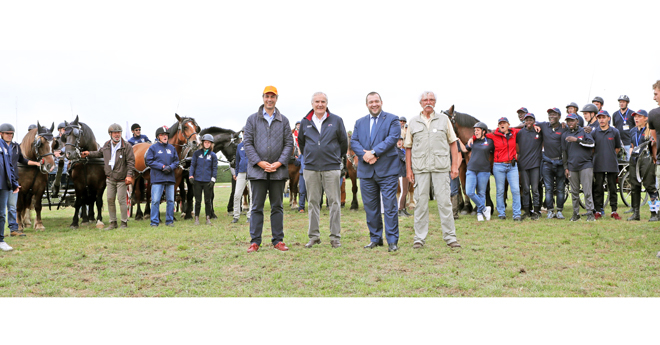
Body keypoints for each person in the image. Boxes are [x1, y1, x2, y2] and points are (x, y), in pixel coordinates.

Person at [405, 91, 461, 249]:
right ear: (420, 103)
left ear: (435, 102)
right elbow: (408, 147)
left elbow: (453, 143)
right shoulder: (413, 122)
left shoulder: (444, 120)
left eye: (431, 100)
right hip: (420, 169)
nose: (428, 102)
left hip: (441, 167)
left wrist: (454, 165)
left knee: (445, 203)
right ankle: (419, 238)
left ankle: (450, 237)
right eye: (425, 100)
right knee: (420, 204)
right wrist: (408, 170)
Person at [243, 86, 293, 253]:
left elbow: (289, 144)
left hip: (278, 172)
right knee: (256, 207)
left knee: (277, 207)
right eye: (267, 96)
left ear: (276, 98)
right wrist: (259, 162)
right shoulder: (252, 120)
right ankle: (255, 241)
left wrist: (278, 163)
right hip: (258, 172)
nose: (269, 99)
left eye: (272, 96)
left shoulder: (283, 120)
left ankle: (278, 240)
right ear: (262, 97)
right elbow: (247, 144)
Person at [352, 91, 401, 251]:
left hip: (387, 171)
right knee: (371, 208)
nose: (374, 104)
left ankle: (392, 241)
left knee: (389, 206)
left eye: (376, 101)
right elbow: (354, 141)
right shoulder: (359, 122)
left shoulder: (392, 119)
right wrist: (365, 155)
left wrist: (373, 152)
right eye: (371, 102)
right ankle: (375, 238)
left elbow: (392, 139)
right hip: (366, 171)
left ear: (381, 102)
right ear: (367, 104)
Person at [298, 92, 348, 249]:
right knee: (313, 202)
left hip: (331, 168)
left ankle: (335, 237)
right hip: (311, 168)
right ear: (312, 103)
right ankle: (314, 236)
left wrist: (333, 157)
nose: (320, 104)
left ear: (327, 103)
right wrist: (312, 156)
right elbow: (301, 143)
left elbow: (343, 143)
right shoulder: (305, 122)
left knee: (334, 202)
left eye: (323, 101)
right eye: (317, 101)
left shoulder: (336, 120)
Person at [82, 123, 136, 230]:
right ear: (110, 134)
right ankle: (113, 223)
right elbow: (99, 153)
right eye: (115, 133)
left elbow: (131, 162)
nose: (117, 134)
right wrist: (88, 153)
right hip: (110, 179)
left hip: (121, 179)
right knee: (110, 200)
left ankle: (124, 223)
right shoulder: (106, 145)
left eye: (119, 132)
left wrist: (129, 175)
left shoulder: (127, 146)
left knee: (121, 201)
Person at [470, 117, 522, 221]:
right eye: (500, 123)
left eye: (504, 123)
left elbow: (525, 129)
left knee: (515, 190)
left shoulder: (514, 132)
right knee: (500, 190)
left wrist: (536, 126)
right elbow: (481, 134)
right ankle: (501, 213)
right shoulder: (493, 135)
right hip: (499, 166)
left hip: (512, 166)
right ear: (498, 125)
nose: (502, 125)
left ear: (508, 124)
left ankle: (517, 214)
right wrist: (472, 138)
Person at [1, 123, 41, 236]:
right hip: (1, 181)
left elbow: (22, 160)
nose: (9, 135)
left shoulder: (15, 147)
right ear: (1, 134)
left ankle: (14, 230)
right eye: (7, 133)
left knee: (13, 207)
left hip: (13, 182)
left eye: (11, 134)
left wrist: (36, 163)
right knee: (1, 211)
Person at [562, 113, 596, 222]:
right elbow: (564, 152)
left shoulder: (584, 131)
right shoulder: (565, 135)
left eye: (572, 120)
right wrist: (566, 167)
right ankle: (575, 214)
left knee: (587, 191)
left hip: (585, 165)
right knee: (574, 192)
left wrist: (577, 140)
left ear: (577, 121)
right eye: (568, 121)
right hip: (572, 167)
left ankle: (590, 213)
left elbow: (591, 144)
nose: (570, 123)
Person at [627, 109, 658, 221]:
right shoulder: (632, 131)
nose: (636, 118)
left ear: (646, 118)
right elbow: (632, 144)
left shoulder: (650, 130)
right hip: (634, 160)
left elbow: (654, 145)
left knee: (650, 186)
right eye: (635, 117)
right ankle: (636, 214)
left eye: (639, 116)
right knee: (634, 187)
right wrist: (631, 150)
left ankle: (655, 213)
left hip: (647, 160)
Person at [145, 126, 179, 227]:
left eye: (166, 135)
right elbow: (149, 161)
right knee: (155, 201)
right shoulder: (153, 148)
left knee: (171, 200)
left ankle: (169, 221)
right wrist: (162, 166)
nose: (165, 136)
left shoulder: (172, 148)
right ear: (158, 137)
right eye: (162, 135)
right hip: (157, 178)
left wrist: (171, 167)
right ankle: (154, 222)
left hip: (170, 178)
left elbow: (176, 161)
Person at [591, 111, 622, 220]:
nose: (602, 120)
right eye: (599, 118)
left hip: (611, 164)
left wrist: (609, 155)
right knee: (598, 188)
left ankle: (614, 211)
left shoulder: (615, 132)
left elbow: (617, 148)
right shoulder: (594, 133)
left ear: (608, 118)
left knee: (613, 188)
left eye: (604, 117)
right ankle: (598, 211)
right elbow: (592, 149)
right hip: (598, 164)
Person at [538, 108, 567, 219]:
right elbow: (528, 123)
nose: (551, 116)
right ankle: (550, 211)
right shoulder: (544, 126)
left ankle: (559, 211)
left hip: (560, 162)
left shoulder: (564, 128)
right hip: (547, 162)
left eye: (554, 114)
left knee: (560, 188)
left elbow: (576, 129)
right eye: (550, 114)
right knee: (548, 189)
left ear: (559, 116)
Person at [464, 122, 493, 221]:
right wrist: (462, 140)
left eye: (478, 130)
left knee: (481, 193)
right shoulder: (472, 141)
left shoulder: (489, 141)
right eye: (475, 130)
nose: (476, 132)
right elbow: (465, 149)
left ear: (483, 131)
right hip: (471, 169)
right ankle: (484, 209)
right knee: (469, 192)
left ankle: (480, 214)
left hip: (484, 170)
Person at [516, 113, 543, 220]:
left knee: (535, 189)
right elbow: (517, 145)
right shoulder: (520, 133)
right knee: (526, 189)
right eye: (527, 120)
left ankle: (536, 211)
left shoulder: (539, 132)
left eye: (531, 120)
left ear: (534, 121)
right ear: (524, 121)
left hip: (535, 164)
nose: (529, 122)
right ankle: (527, 211)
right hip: (523, 164)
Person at [190, 134, 217, 226]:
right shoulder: (197, 154)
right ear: (202, 143)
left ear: (211, 144)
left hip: (207, 181)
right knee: (197, 200)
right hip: (197, 180)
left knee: (207, 201)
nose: (207, 144)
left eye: (209, 142)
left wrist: (213, 179)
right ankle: (196, 218)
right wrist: (191, 176)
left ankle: (208, 218)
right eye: (205, 142)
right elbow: (192, 165)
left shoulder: (213, 155)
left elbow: (214, 168)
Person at [0, 138, 19, 251]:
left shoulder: (3, 145)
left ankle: (0, 240)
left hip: (3, 185)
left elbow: (9, 165)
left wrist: (14, 182)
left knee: (1, 214)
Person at [232, 136, 251, 223]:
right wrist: (236, 173)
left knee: (252, 195)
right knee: (237, 195)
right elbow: (237, 160)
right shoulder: (239, 146)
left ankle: (250, 216)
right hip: (241, 172)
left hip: (252, 172)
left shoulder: (254, 144)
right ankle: (236, 216)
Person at [612, 95, 634, 161]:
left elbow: (635, 127)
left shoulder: (632, 113)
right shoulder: (615, 114)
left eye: (623, 102)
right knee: (618, 161)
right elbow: (615, 127)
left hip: (629, 142)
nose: (621, 104)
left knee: (629, 161)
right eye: (620, 102)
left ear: (627, 103)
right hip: (619, 142)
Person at [648, 80, 660, 190]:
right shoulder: (653, 114)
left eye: (656, 94)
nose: (654, 98)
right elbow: (655, 139)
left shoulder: (653, 114)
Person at [396, 135, 411, 217]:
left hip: (406, 173)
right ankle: (400, 209)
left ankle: (404, 209)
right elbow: (405, 159)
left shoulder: (402, 150)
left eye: (401, 140)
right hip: (402, 173)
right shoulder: (397, 151)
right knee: (403, 192)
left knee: (406, 191)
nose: (399, 142)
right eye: (398, 140)